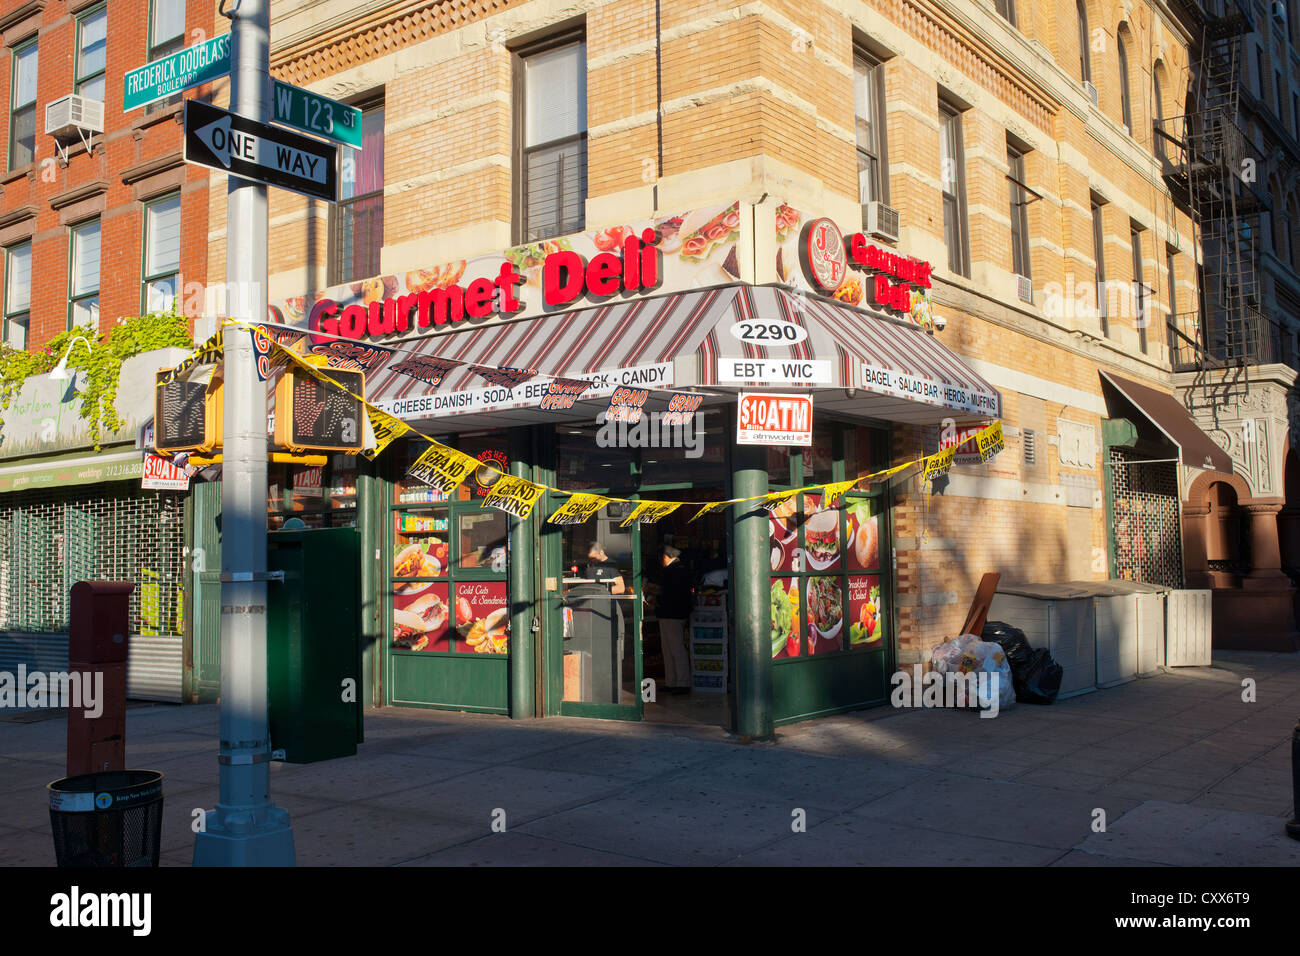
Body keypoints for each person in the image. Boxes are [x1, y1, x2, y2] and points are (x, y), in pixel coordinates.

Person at [656, 544, 693, 694]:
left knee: (674, 649)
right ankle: (673, 682)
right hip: (672, 613)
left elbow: (668, 592)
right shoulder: (679, 569)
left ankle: (680, 683)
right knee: (672, 648)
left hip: (672, 613)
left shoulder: (673, 571)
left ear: (666, 557)